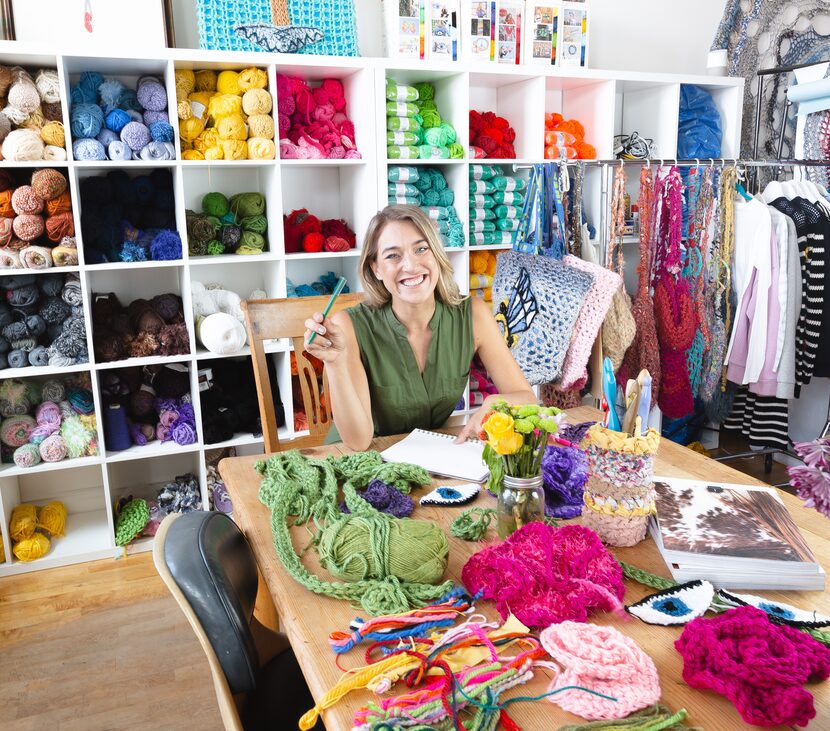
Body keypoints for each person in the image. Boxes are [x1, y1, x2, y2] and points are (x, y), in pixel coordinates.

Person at [303, 205, 536, 451]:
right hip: (357, 459)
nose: (411, 266)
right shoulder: (348, 326)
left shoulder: (473, 315)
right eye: (393, 255)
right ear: (376, 268)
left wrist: (496, 402)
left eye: (421, 249)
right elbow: (359, 442)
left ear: (436, 254)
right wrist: (334, 362)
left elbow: (527, 398)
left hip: (425, 459)